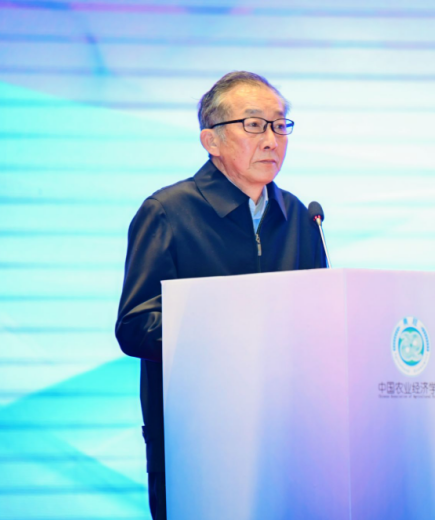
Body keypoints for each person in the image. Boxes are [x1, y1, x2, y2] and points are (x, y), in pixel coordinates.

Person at [115, 71, 326, 520]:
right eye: (254, 125)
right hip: (198, 443)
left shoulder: (298, 217)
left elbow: (323, 322)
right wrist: (232, 333)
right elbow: (135, 326)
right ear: (211, 140)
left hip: (289, 442)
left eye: (279, 125)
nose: (271, 140)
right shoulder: (168, 213)